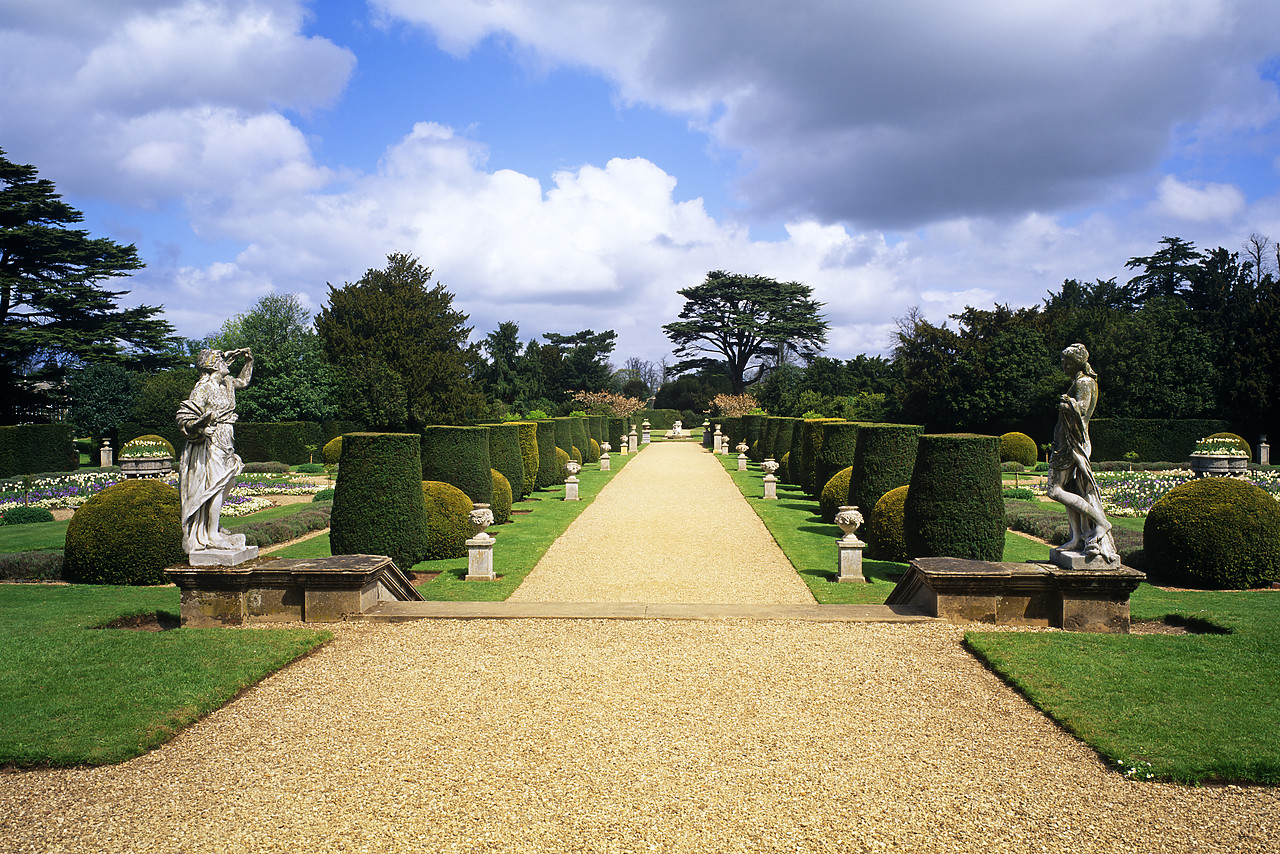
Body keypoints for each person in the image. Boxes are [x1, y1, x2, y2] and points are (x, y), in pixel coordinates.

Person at [176, 348, 254, 554]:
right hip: (211, 441)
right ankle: (212, 535)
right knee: (217, 486)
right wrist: (201, 426)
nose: (226, 363)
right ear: (213, 365)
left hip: (227, 438)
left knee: (229, 482)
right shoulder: (203, 388)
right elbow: (185, 417)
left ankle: (214, 528)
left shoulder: (227, 384)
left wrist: (249, 362)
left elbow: (243, 382)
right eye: (222, 360)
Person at [1046, 343, 1118, 564]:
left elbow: (1082, 410)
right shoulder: (1079, 382)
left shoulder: (1085, 382)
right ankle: (1078, 537)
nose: (1063, 365)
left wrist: (1067, 403)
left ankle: (1101, 522)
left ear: (1075, 362)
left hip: (1071, 444)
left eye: (1065, 361)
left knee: (1054, 490)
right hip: (1069, 440)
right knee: (1070, 488)